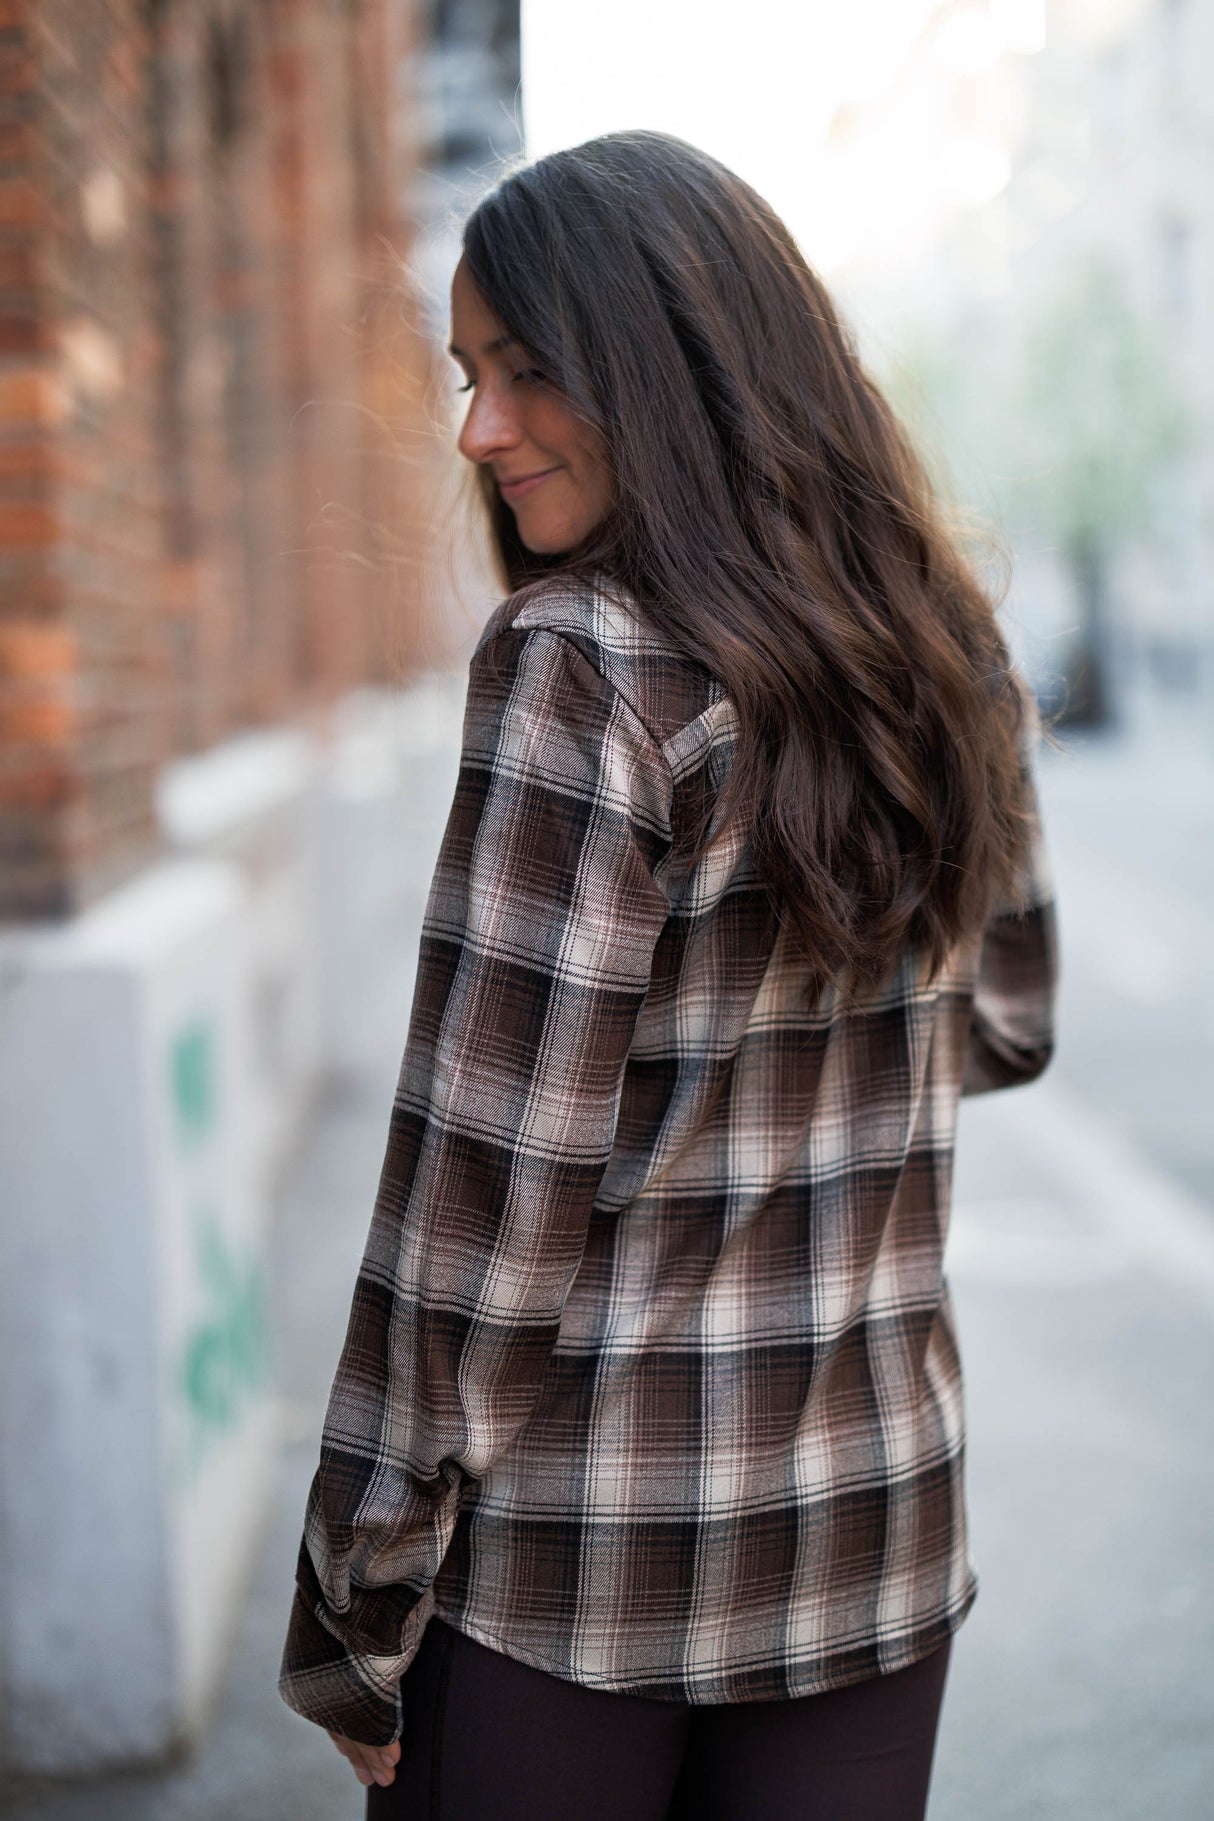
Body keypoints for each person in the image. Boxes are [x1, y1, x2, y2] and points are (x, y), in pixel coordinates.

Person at [277, 129, 1059, 1819]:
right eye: (468, 375)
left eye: (530, 371)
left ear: (673, 359)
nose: (477, 431)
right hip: (873, 1526)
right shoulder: (948, 647)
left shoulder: (585, 668)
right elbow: (1004, 1022)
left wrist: (356, 1595)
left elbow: (477, 1210)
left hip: (581, 1574)